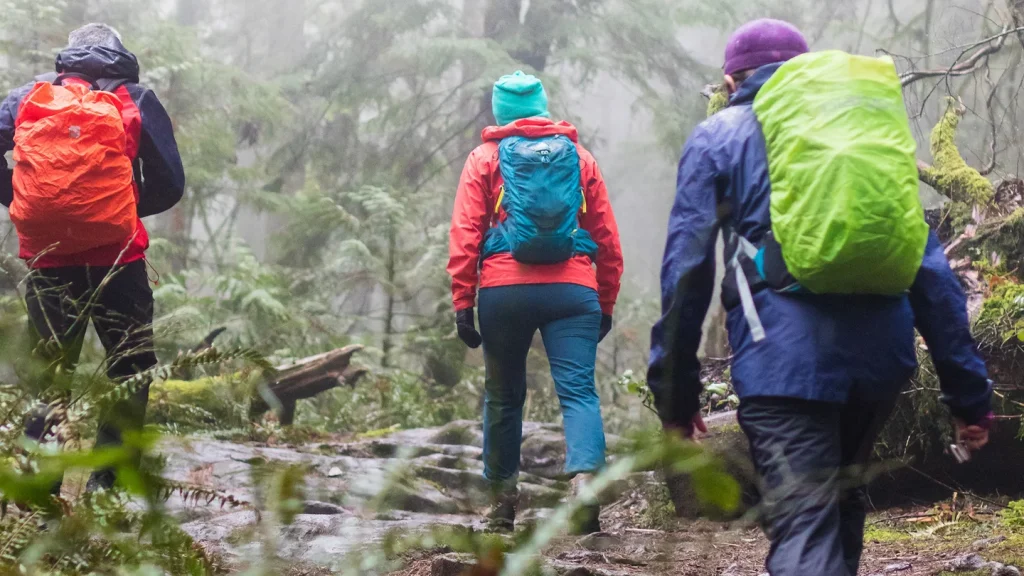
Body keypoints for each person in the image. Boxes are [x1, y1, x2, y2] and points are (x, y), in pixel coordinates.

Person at [648, 19, 993, 576]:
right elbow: (929, 269)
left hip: (781, 364)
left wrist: (675, 393)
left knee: (804, 521)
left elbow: (686, 270)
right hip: (881, 360)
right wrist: (968, 396)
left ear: (731, 82)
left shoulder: (719, 135)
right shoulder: (859, 133)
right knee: (841, 499)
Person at [0, 23, 185, 492]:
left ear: (69, 56)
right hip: (119, 260)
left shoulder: (28, 97)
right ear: (119, 53)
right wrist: (116, 209)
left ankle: (38, 497)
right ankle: (109, 488)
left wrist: (19, 200)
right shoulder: (135, 99)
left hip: (49, 261)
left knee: (49, 375)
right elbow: (171, 183)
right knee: (129, 369)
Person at [448, 71, 624, 533]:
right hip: (573, 290)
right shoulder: (579, 158)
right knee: (578, 391)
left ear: (500, 111)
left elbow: (466, 232)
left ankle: (501, 504)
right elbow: (606, 236)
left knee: (503, 396)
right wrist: (605, 300)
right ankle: (585, 484)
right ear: (542, 107)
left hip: (504, 292)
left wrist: (463, 300)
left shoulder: (484, 158)